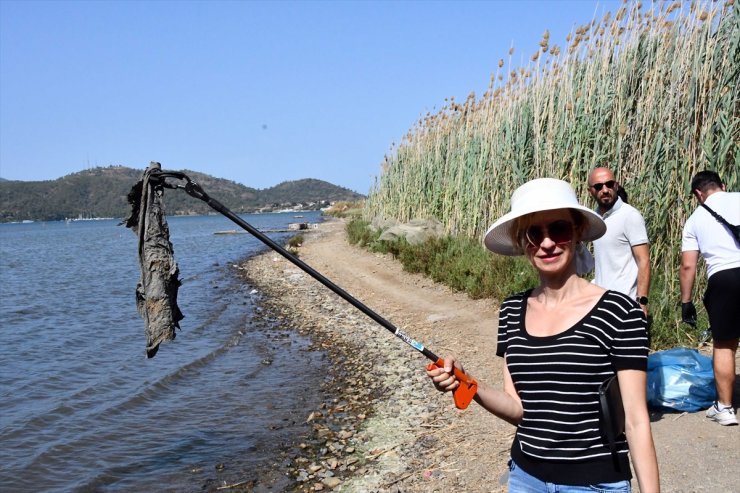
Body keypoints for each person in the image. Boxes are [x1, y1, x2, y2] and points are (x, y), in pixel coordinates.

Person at [427, 178, 660, 492]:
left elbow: (635, 420)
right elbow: (518, 408)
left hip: (596, 483)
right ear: (523, 243)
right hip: (525, 478)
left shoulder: (620, 311)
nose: (547, 243)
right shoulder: (512, 310)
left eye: (559, 229)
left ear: (577, 232)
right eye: (534, 233)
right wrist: (467, 383)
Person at [680, 170, 740, 426]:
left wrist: (686, 302)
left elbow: (688, 267)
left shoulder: (694, 219)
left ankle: (725, 408)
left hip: (724, 279)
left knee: (725, 344)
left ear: (698, 194)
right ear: (723, 185)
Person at [587, 167, 651, 315]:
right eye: (598, 186)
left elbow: (644, 260)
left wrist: (641, 301)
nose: (605, 189)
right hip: (601, 301)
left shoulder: (630, 216)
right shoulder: (595, 218)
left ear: (616, 185)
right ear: (590, 191)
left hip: (625, 303)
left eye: (609, 184)